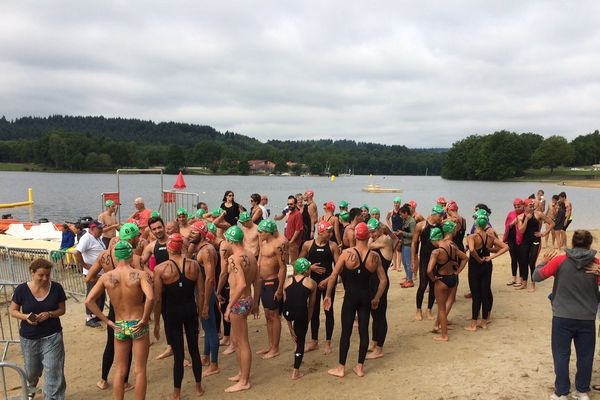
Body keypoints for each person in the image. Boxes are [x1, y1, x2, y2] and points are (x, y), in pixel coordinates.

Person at [533, 231, 599, 400]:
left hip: (562, 316)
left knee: (561, 354)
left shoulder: (560, 261)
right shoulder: (596, 264)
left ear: (573, 242)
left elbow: (537, 277)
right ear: (589, 244)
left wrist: (542, 262)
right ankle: (582, 391)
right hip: (587, 317)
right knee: (585, 356)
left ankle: (561, 392)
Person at [85, 241, 154, 400]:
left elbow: (89, 301)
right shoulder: (140, 274)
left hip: (120, 325)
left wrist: (108, 321)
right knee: (140, 370)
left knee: (120, 370)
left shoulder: (106, 277)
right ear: (130, 255)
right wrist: (144, 319)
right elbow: (150, 297)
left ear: (116, 256)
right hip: (137, 323)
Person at [324, 222, 387, 378]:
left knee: (346, 332)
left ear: (356, 236)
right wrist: (377, 298)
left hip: (350, 297)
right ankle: (359, 367)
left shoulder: (346, 254)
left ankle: (341, 368)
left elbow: (333, 276)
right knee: (364, 331)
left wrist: (327, 295)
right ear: (368, 236)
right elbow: (383, 280)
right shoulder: (374, 256)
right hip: (366, 297)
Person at [153, 233, 204, 399]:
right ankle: (198, 388)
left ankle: (177, 393)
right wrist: (201, 312)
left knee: (179, 355)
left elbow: (158, 298)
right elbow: (201, 292)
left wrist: (156, 323)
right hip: (190, 310)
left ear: (168, 247)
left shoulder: (160, 269)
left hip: (172, 312)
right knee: (194, 350)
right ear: (181, 246)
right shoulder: (194, 265)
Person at [9, 258, 67, 399]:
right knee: (31, 372)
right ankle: (31, 388)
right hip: (29, 338)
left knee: (54, 370)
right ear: (32, 273)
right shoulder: (22, 289)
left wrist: (49, 314)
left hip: (52, 336)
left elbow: (62, 310)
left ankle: (53, 397)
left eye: (48, 274)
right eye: (41, 275)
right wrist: (26, 317)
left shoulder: (57, 288)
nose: (45, 278)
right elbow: (13, 310)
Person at [223, 226, 261, 393]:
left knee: (242, 342)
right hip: (248, 300)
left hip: (238, 302)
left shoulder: (234, 258)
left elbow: (242, 284)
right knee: (237, 341)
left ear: (231, 241)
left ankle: (245, 380)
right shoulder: (251, 255)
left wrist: (230, 306)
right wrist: (256, 302)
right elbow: (257, 281)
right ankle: (241, 373)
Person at [300, 220, 340, 355]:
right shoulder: (308, 244)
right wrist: (309, 267)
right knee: (314, 310)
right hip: (313, 283)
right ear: (320, 232)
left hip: (328, 283)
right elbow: (299, 263)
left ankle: (328, 341)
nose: (330, 234)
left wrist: (328, 280)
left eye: (331, 232)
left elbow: (338, 268)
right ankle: (314, 341)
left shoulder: (333, 246)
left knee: (328, 310)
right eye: (328, 232)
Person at [465, 212, 508, 332]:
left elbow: (472, 249)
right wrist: (491, 257)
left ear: (476, 223)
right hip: (487, 265)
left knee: (476, 295)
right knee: (485, 293)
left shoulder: (472, 237)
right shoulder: (490, 237)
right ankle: (484, 322)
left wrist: (478, 259)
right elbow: (505, 247)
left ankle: (473, 324)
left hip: (475, 266)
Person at [426, 222, 468, 341]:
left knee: (441, 309)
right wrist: (458, 271)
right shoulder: (453, 246)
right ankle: (439, 327)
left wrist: (433, 278)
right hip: (453, 278)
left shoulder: (436, 252)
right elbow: (465, 258)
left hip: (442, 280)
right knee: (450, 301)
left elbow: (429, 270)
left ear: (434, 239)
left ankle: (444, 335)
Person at [191, 221, 221, 377]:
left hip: (205, 294)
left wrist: (205, 304)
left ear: (201, 234)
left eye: (193, 232)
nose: (190, 234)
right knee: (206, 327)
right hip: (201, 293)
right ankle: (206, 357)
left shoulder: (206, 251)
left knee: (210, 329)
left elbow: (209, 279)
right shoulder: (202, 249)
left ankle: (214, 364)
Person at [282, 258, 317, 380]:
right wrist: (307, 320)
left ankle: (295, 340)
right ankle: (295, 372)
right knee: (301, 341)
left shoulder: (287, 281)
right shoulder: (311, 283)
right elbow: (311, 305)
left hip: (287, 313)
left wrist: (290, 328)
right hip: (301, 313)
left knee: (295, 335)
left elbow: (286, 303)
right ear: (307, 270)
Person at [256, 219, 286, 359]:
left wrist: (280, 288)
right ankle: (270, 345)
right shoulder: (263, 243)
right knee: (268, 316)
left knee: (274, 316)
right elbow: (259, 262)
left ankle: (276, 348)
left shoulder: (278, 245)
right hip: (262, 283)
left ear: (268, 232)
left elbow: (283, 267)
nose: (259, 233)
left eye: (261, 231)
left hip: (272, 282)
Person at [366, 218, 393, 359]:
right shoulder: (378, 239)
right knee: (374, 314)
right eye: (370, 232)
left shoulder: (385, 240)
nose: (372, 234)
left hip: (381, 283)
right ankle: (374, 342)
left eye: (374, 231)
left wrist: (373, 237)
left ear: (380, 229)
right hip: (373, 282)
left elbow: (368, 246)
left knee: (380, 315)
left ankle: (379, 348)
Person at [412, 205, 444, 321]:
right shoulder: (421, 225)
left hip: (436, 259)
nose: (442, 218)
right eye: (440, 216)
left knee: (433, 285)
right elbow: (414, 243)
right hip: (425, 259)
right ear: (434, 214)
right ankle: (418, 309)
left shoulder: (441, 226)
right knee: (422, 285)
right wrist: (413, 260)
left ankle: (429, 309)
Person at [516, 198, 555, 292]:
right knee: (523, 261)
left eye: (532, 205)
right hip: (525, 241)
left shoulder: (539, 214)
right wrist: (527, 219)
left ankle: (533, 285)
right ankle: (524, 283)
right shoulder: (520, 217)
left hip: (535, 241)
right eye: (530, 205)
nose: (532, 207)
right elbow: (521, 231)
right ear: (525, 206)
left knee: (532, 262)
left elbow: (552, 223)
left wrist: (544, 233)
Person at [74, 219, 106, 327]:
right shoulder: (87, 238)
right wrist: (85, 265)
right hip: (92, 273)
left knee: (100, 295)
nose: (102, 230)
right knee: (92, 295)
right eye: (99, 228)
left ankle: (97, 315)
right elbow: (77, 252)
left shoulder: (97, 237)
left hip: (100, 273)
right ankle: (89, 318)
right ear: (92, 228)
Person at [504, 198, 525, 286]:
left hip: (522, 240)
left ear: (523, 205)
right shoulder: (511, 214)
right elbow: (507, 226)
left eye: (518, 206)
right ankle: (513, 277)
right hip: (511, 239)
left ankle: (521, 278)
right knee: (513, 259)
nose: (516, 208)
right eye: (515, 206)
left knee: (521, 260)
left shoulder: (525, 214)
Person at [398, 204, 416, 288]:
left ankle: (410, 280)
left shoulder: (411, 221)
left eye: (401, 214)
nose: (400, 216)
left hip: (409, 245)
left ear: (405, 213)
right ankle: (408, 278)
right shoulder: (405, 220)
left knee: (408, 263)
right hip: (404, 244)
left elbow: (414, 235)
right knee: (404, 262)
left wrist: (402, 233)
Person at [284, 195, 304, 264]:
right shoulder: (290, 213)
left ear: (295, 204)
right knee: (285, 261)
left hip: (294, 242)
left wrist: (291, 241)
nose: (289, 205)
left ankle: (295, 274)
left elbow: (298, 230)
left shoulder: (298, 214)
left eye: (291, 204)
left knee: (294, 262)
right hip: (288, 241)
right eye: (288, 204)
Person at [386, 196, 403, 272]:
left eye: (398, 203)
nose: (396, 204)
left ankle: (399, 266)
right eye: (395, 203)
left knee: (399, 249)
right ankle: (394, 266)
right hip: (394, 232)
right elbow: (387, 219)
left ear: (400, 203)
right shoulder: (391, 212)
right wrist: (390, 227)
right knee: (393, 249)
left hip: (400, 232)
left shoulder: (402, 211)